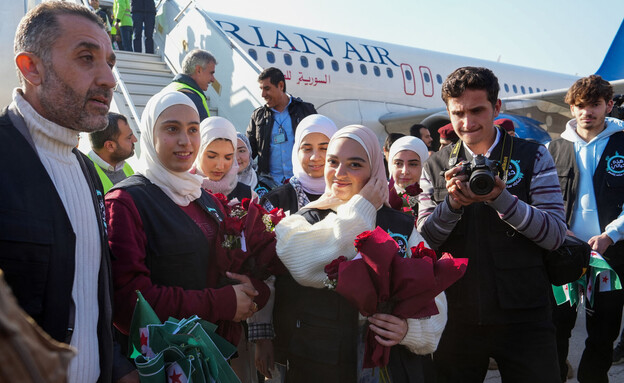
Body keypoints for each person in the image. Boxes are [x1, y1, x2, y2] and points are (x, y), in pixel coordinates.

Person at [0, 2, 136, 381]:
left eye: (109, 61)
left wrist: (115, 364)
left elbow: (88, 296)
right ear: (32, 68)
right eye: (86, 58)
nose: (109, 78)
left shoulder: (86, 171)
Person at [417, 66, 566, 382]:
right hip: (455, 316)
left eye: (477, 110)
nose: (467, 123)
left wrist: (503, 200)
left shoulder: (534, 156)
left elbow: (555, 236)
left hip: (525, 316)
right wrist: (453, 205)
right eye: (457, 113)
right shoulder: (435, 165)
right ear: (447, 111)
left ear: (497, 107)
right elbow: (424, 243)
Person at [274, 125, 447, 382]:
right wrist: (363, 207)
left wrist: (409, 330)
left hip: (388, 367)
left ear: (375, 170)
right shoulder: (305, 220)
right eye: (333, 162)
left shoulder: (398, 224)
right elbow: (306, 265)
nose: (339, 173)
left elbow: (436, 298)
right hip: (320, 365)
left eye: (355, 164)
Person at [106, 91, 269, 351]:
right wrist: (221, 303)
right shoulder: (126, 202)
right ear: (150, 133)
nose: (185, 141)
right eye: (172, 128)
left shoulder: (205, 199)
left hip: (206, 353)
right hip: (160, 359)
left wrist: (252, 288)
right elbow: (129, 304)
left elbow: (223, 267)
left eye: (193, 129)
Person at [548, 74, 624, 383]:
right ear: (571, 109)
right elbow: (541, 201)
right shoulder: (551, 149)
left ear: (609, 105)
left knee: (603, 331)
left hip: (610, 256)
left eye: (594, 104)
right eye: (579, 106)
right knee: (554, 326)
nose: (586, 112)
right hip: (561, 254)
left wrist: (611, 235)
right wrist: (557, 233)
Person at [247, 67, 317, 185]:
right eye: (261, 89)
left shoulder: (305, 111)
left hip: (301, 182)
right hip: (269, 185)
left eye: (267, 88)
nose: (263, 94)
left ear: (281, 85)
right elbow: (248, 152)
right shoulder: (257, 116)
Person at [191, 116, 258, 201]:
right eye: (212, 156)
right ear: (198, 152)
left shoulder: (247, 195)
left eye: (228, 158)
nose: (220, 166)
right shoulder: (182, 189)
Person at [88, 112, 137, 193]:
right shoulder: (84, 174)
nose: (135, 140)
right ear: (110, 146)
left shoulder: (124, 166)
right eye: (129, 137)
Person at [164, 49, 216, 121]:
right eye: (211, 73)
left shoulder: (168, 89)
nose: (213, 80)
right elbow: (202, 131)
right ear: (198, 70)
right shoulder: (191, 97)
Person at [387, 135, 429, 220]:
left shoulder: (434, 200)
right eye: (398, 163)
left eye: (413, 164)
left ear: (424, 166)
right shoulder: (379, 199)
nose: (405, 171)